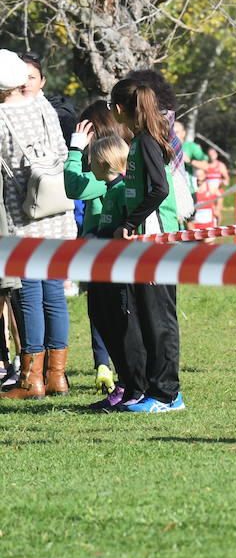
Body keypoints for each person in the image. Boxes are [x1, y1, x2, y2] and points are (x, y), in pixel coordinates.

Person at [0, 49, 78, 401]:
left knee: (29, 296)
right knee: (54, 295)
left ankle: (31, 381)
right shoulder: (45, 107)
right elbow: (62, 153)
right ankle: (57, 376)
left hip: (23, 217)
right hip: (58, 214)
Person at [107, 76, 186, 412]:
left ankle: (168, 395)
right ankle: (156, 390)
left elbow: (159, 190)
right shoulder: (138, 140)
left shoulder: (149, 142)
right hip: (142, 243)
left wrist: (129, 221)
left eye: (112, 106)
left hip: (156, 243)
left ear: (121, 108)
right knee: (148, 318)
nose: (111, 111)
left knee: (159, 320)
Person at [64, 103, 132, 395]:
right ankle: (110, 367)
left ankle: (110, 366)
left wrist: (74, 150)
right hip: (106, 246)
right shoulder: (120, 163)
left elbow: (74, 187)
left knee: (104, 310)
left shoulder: (103, 175)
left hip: (102, 247)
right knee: (103, 307)